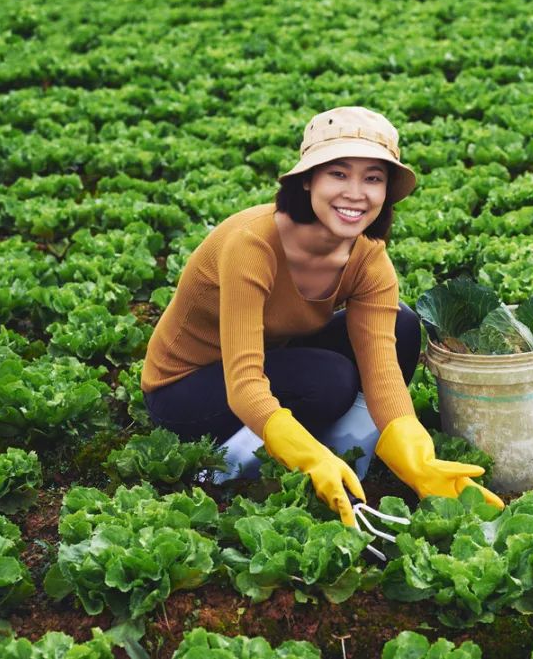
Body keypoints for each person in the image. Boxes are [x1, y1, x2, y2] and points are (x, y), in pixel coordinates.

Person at [140, 106, 504, 526]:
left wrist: (419, 461)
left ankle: (342, 459)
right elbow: (244, 382)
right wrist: (307, 457)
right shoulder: (251, 245)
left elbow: (383, 372)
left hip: (277, 357)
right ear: (308, 179)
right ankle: (229, 468)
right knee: (328, 379)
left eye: (373, 178)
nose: (355, 193)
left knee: (402, 327)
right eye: (338, 173)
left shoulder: (368, 258)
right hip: (186, 388)